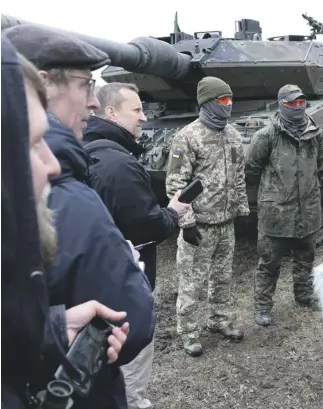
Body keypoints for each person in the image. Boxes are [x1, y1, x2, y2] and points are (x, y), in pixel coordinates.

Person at [3, 24, 156, 409]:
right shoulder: (70, 196)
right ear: (43, 84)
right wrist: (128, 266)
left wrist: (53, 330)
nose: (92, 101)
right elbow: (131, 321)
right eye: (86, 84)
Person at [83, 82, 191, 409]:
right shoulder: (121, 165)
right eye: (137, 110)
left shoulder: (86, 150)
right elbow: (148, 225)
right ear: (112, 113)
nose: (144, 117)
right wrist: (173, 212)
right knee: (131, 359)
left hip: (94, 278)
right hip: (127, 281)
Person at [166, 76, 249, 357]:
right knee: (192, 282)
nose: (229, 104)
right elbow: (176, 185)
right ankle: (189, 333)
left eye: (230, 99)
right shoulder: (187, 137)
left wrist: (241, 209)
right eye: (223, 100)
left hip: (226, 223)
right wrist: (186, 222)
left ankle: (219, 320)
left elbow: (238, 176)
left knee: (222, 278)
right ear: (208, 102)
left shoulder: (233, 135)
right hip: (199, 226)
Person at [244, 84, 323, 327]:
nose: (298, 107)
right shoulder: (266, 136)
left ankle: (304, 296)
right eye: (292, 103)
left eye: (301, 102)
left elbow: (318, 162)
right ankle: (263, 306)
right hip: (275, 213)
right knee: (269, 262)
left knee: (305, 258)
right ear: (281, 105)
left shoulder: (314, 134)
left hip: (307, 208)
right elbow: (251, 169)